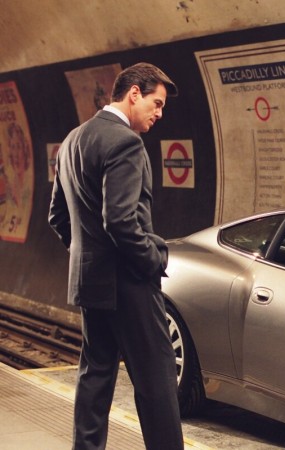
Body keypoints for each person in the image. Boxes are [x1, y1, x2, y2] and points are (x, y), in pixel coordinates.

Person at [48, 62, 184, 450]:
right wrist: (153, 259)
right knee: (157, 380)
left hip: (91, 283)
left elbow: (57, 216)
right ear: (134, 93)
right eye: (157, 103)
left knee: (95, 375)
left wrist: (88, 255)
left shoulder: (73, 140)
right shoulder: (126, 142)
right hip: (129, 283)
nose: (159, 113)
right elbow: (121, 221)